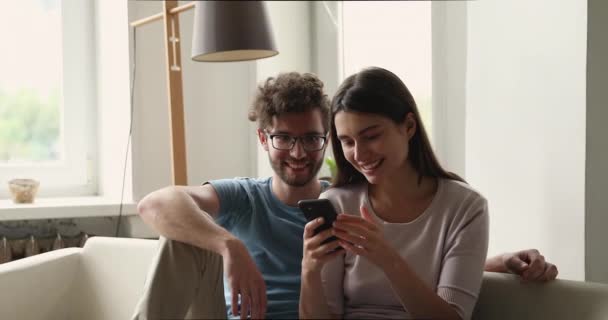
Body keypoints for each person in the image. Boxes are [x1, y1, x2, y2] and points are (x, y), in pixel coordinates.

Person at [132, 71, 557, 320]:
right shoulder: (253, 197)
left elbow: (409, 259)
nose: (298, 153)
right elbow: (154, 204)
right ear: (263, 139)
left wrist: (487, 265)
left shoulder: (339, 202)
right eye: (284, 139)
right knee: (180, 240)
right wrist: (231, 246)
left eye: (313, 139)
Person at [299, 67, 556, 320]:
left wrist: (387, 259)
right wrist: (309, 270)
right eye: (347, 141)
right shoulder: (338, 203)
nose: (359, 154)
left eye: (372, 136)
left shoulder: (465, 207)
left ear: (409, 126)